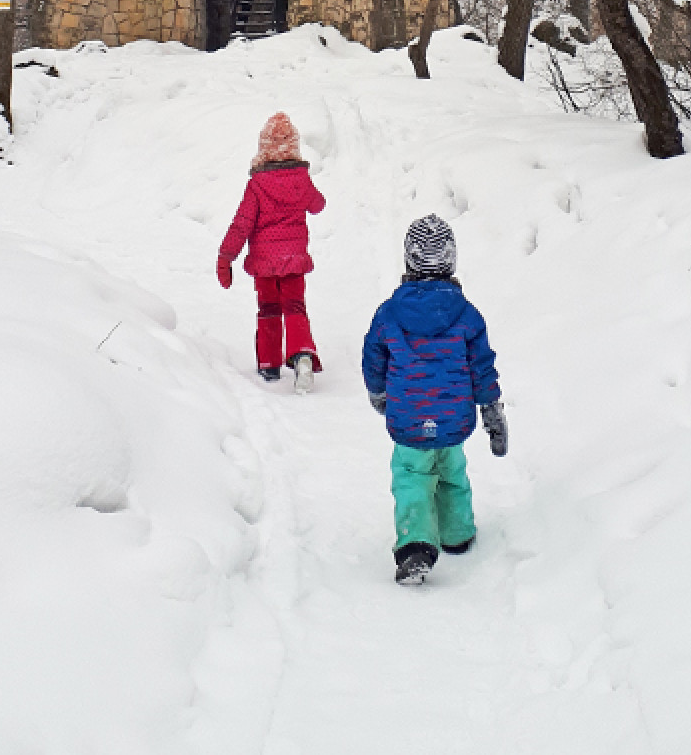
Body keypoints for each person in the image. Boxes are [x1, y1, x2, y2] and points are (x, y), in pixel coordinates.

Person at [362, 212, 507, 585]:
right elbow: (482, 366)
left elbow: (373, 356)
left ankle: (415, 545)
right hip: (453, 418)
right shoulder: (466, 314)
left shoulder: (390, 313)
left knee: (412, 477)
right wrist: (491, 409)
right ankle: (457, 533)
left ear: (409, 259)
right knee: (452, 473)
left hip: (409, 418)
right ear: (450, 259)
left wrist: (378, 392)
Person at [217, 111, 326, 392]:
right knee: (294, 306)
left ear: (263, 147)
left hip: (264, 263)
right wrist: (304, 186)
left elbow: (241, 224)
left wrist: (226, 257)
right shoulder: (300, 179)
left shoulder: (257, 185)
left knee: (268, 309)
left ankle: (269, 365)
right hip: (294, 260)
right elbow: (318, 205)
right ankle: (302, 354)